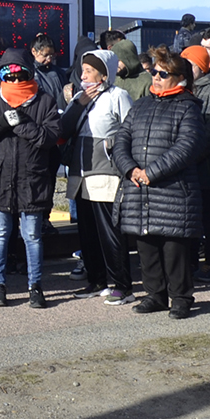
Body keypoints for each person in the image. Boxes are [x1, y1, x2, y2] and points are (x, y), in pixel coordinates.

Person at [113, 47, 203, 319]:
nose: (156, 77)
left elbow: (186, 147)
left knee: (174, 249)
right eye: (154, 71)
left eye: (163, 73)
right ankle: (155, 295)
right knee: (146, 246)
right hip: (139, 188)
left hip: (173, 191)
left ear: (180, 78)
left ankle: (181, 298)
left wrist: (151, 172)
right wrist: (130, 169)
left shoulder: (188, 107)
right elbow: (122, 139)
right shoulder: (141, 105)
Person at [0, 50, 61, 307]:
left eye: (19, 74)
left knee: (32, 236)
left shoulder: (44, 101)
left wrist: (22, 125)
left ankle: (35, 286)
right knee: (0, 234)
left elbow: (50, 138)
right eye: (7, 74)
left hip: (32, 180)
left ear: (29, 72)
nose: (13, 80)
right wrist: (2, 121)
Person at [60, 48, 134, 304]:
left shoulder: (118, 96)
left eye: (89, 71)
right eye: (83, 70)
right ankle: (96, 280)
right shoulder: (79, 97)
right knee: (87, 232)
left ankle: (123, 285)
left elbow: (130, 130)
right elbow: (64, 129)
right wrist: (76, 104)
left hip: (106, 174)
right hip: (80, 174)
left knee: (110, 232)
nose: (84, 75)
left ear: (103, 75)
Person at [179, 45, 210, 285]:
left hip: (207, 167)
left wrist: (189, 156)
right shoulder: (187, 88)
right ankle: (189, 262)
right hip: (188, 165)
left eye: (188, 65)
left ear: (199, 66)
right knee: (190, 217)